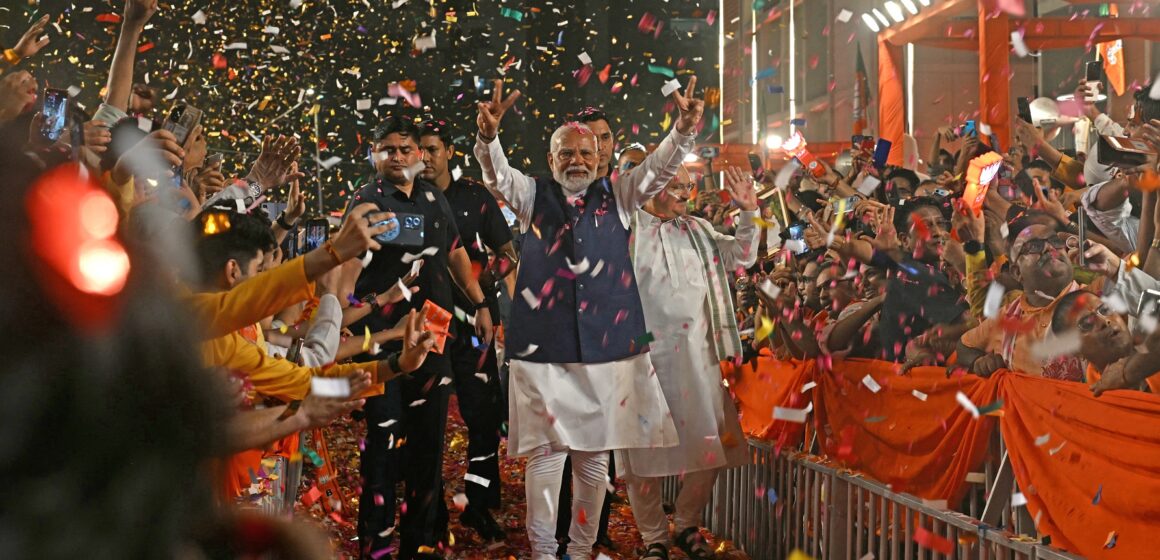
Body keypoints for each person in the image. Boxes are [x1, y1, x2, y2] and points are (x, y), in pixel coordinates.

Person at [473, 77, 704, 560]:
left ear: (599, 155)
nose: (576, 161)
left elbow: (659, 170)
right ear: (552, 157)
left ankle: (578, 552)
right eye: (565, 153)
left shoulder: (620, 196)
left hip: (607, 351)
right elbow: (496, 176)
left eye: (585, 152)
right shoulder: (532, 195)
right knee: (546, 456)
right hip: (542, 351)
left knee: (595, 462)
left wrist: (682, 132)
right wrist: (489, 139)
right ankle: (542, 551)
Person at [350, 115, 493, 560]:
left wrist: (480, 301)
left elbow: (454, 252)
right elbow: (345, 268)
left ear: (419, 154)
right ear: (374, 156)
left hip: (434, 338)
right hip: (385, 342)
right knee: (384, 442)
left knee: (429, 447)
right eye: (387, 148)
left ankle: (419, 543)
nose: (398, 156)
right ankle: (376, 542)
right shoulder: (367, 201)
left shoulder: (433, 197)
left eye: (406, 148)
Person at [620, 165, 759, 560]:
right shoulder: (628, 228)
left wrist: (748, 212)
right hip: (641, 360)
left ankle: (685, 524)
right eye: (677, 185)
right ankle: (653, 538)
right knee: (642, 452)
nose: (687, 192)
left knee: (708, 444)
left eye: (689, 185)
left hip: (698, 361)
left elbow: (743, 255)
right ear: (653, 186)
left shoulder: (698, 230)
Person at [417, 117, 513, 541]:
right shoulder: (405, 198)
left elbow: (506, 252)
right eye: (417, 149)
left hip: (476, 319)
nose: (423, 157)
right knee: (426, 414)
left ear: (449, 152)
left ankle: (478, 502)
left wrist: (489, 295)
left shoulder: (475, 197)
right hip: (428, 321)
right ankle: (430, 506)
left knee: (483, 414)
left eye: (432, 149)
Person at [955, 224, 1087, 380]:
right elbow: (964, 347)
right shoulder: (1005, 317)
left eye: (1054, 241)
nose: (1048, 248)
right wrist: (979, 362)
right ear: (1017, 272)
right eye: (1033, 246)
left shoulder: (1096, 299)